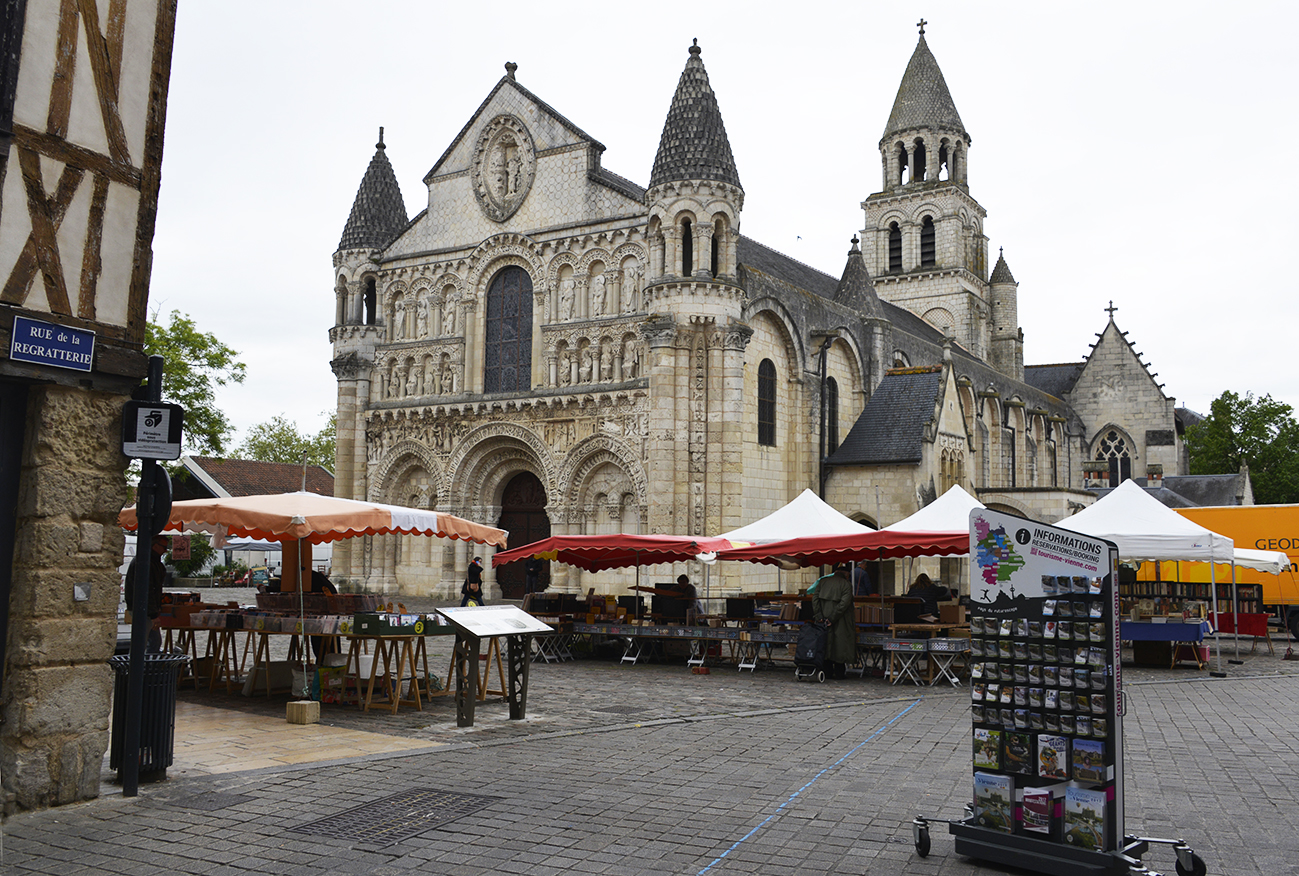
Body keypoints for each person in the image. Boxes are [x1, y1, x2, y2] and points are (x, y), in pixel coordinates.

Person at [125, 534, 170, 652]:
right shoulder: (145, 562)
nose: (165, 550)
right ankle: (142, 669)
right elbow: (147, 590)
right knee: (145, 643)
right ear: (155, 546)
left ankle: (145, 668)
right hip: (143, 610)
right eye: (164, 547)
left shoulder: (151, 561)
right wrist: (153, 614)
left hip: (145, 610)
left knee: (152, 642)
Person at [811, 562, 856, 679]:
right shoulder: (846, 585)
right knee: (840, 645)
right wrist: (832, 618)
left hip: (822, 619)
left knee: (825, 644)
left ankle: (827, 671)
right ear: (846, 574)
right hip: (840, 620)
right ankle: (840, 673)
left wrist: (819, 616)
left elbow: (814, 599)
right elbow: (844, 604)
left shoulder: (822, 582)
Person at [308, 570, 338, 663]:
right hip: (326, 614)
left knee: (323, 645)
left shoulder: (311, 578)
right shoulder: (315, 577)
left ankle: (324, 665)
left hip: (324, 615)